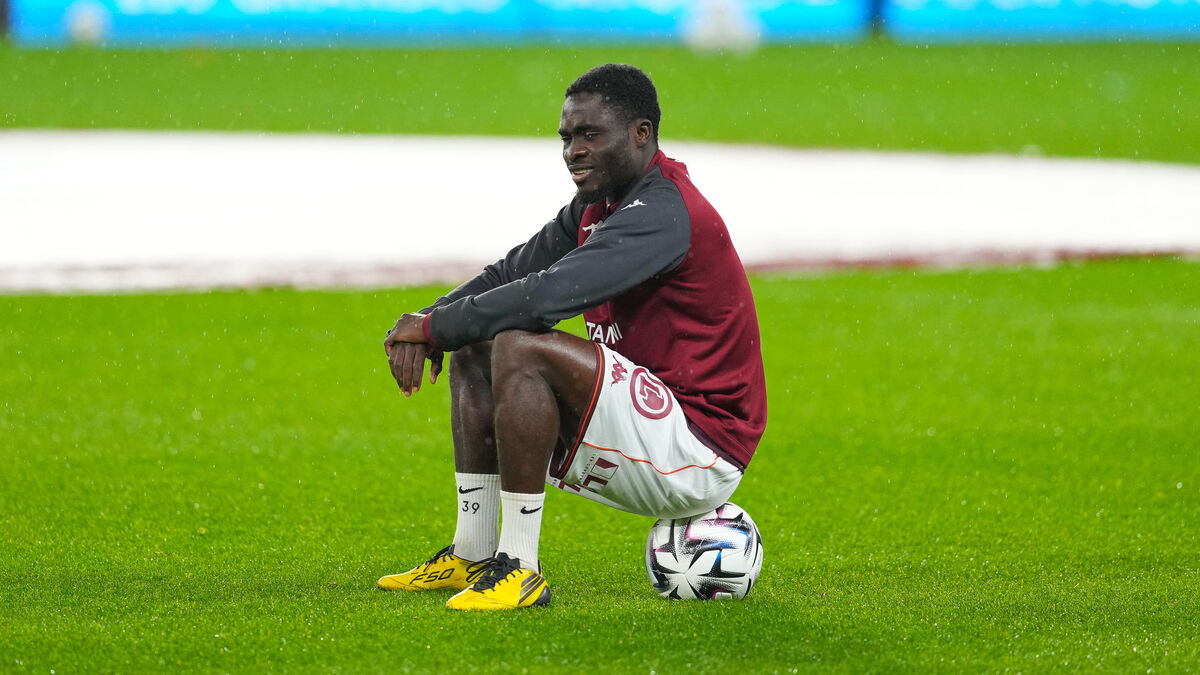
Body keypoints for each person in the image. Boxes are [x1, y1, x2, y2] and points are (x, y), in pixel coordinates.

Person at [378, 63, 767, 611]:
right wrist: (432, 319)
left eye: (589, 135)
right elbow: (512, 272)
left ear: (641, 134)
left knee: (517, 344)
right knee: (476, 343)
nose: (573, 151)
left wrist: (431, 329)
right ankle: (473, 553)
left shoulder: (662, 211)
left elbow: (545, 297)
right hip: (655, 419)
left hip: (701, 446)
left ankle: (520, 568)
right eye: (566, 137)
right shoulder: (598, 205)